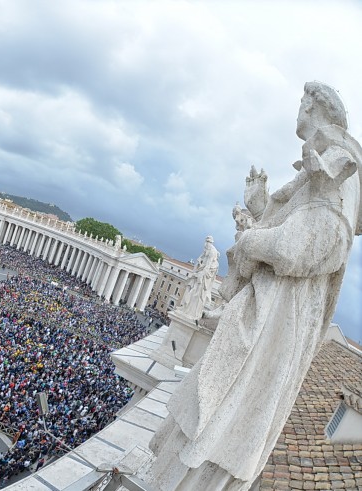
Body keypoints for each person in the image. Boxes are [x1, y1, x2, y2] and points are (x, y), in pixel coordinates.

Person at [149, 82, 361, 490]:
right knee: (211, 416)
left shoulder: (340, 166)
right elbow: (300, 232)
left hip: (274, 323)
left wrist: (249, 241)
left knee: (220, 426)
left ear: (313, 106)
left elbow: (318, 242)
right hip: (268, 313)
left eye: (302, 102)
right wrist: (261, 209)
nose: (298, 109)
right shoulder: (321, 165)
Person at [176, 236, 219, 320]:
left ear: (210, 243)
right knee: (190, 288)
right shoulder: (207, 249)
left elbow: (207, 266)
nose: (206, 244)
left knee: (195, 294)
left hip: (202, 278)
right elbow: (201, 257)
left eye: (208, 242)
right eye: (206, 242)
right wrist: (197, 267)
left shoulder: (212, 253)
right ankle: (185, 307)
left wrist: (199, 275)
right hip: (199, 275)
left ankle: (189, 310)